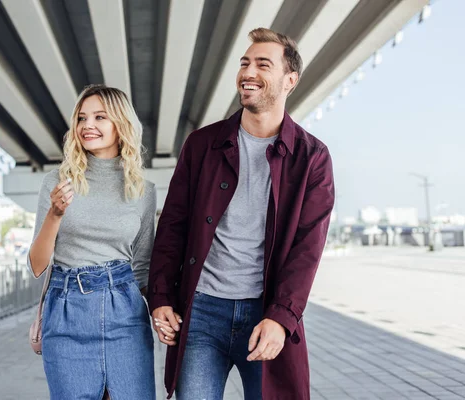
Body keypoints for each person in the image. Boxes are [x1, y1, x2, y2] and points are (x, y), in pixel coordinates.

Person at [148, 27, 335, 399]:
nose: (248, 72)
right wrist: (161, 297)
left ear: (290, 80)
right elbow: (173, 225)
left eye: (263, 64)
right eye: (245, 63)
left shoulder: (312, 158)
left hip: (264, 315)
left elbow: (307, 249)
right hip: (200, 313)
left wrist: (282, 318)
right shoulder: (202, 145)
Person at [28, 84, 156, 400]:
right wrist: (55, 214)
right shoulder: (56, 181)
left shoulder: (143, 189)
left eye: (100, 117)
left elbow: (142, 269)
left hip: (124, 314)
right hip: (67, 310)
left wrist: (162, 315)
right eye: (82, 118)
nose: (88, 126)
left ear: (121, 124)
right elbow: (37, 264)